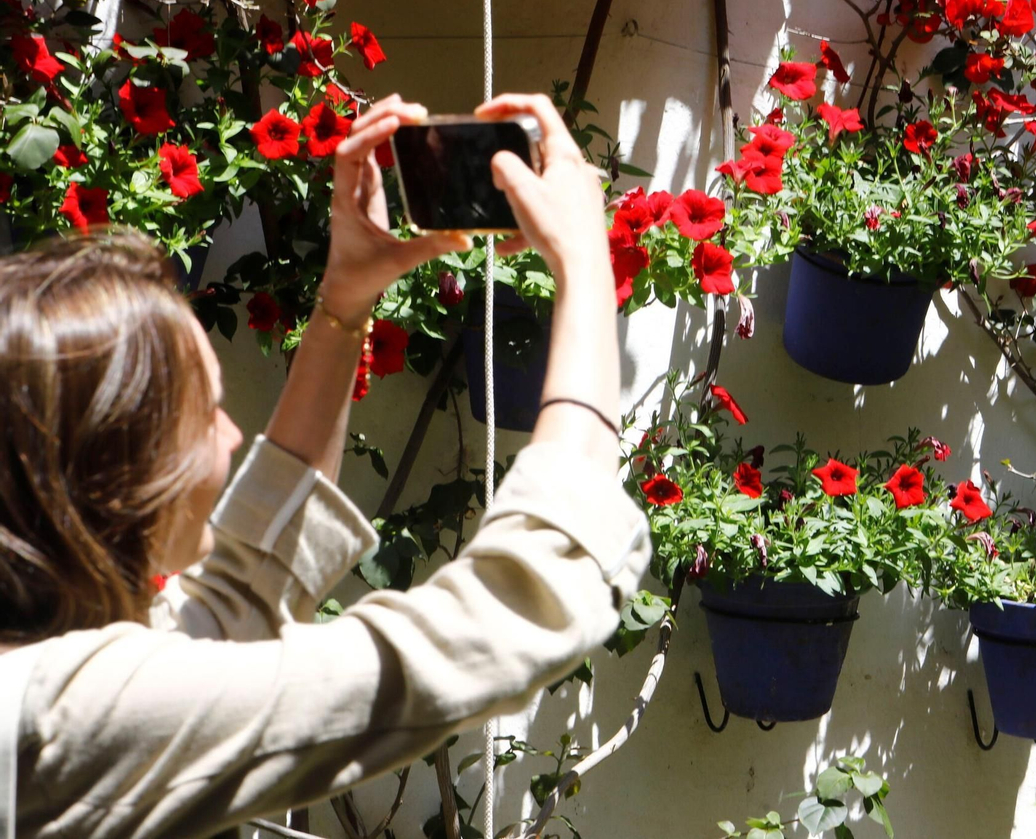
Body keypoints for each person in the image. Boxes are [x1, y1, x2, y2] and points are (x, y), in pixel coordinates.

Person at [0, 93, 649, 838]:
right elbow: (506, 616)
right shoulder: (73, 718)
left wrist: (347, 298)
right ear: (117, 479)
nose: (235, 434)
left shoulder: (38, 667)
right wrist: (586, 267)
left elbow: (235, 599)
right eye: (207, 414)